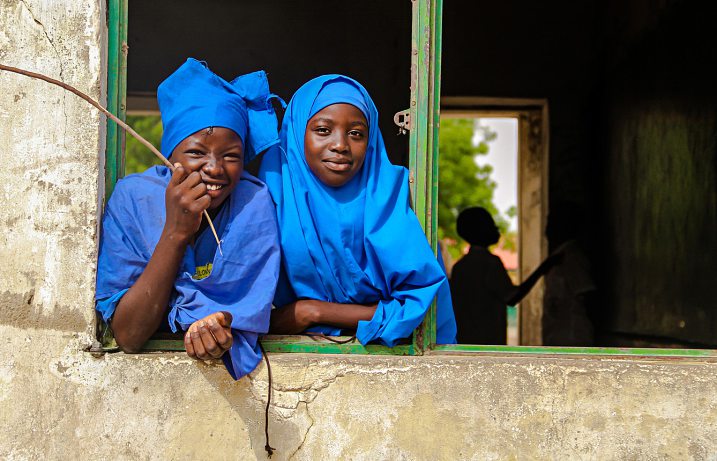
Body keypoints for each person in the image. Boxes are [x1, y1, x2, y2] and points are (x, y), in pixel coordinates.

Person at [95, 58, 281, 379]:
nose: (214, 168)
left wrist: (215, 326)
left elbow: (247, 314)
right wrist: (176, 232)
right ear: (169, 156)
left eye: (231, 156)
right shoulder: (134, 198)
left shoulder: (253, 202)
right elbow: (128, 335)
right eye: (196, 153)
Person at [259, 75, 457, 345]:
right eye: (323, 130)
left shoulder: (390, 198)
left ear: (371, 141)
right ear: (296, 133)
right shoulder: (270, 197)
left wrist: (312, 311)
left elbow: (419, 308)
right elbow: (243, 310)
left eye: (356, 134)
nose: (340, 145)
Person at [450, 207, 559, 344]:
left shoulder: (459, 267)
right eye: (491, 225)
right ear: (480, 230)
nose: (497, 229)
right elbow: (512, 296)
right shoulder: (490, 263)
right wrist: (542, 269)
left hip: (464, 340)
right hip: (489, 342)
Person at [542, 201, 597, 346]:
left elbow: (587, 294)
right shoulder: (559, 256)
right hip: (561, 337)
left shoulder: (571, 256)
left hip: (572, 338)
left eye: (553, 222)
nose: (547, 228)